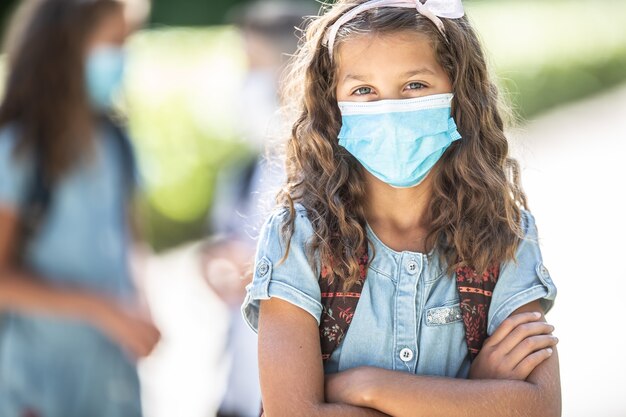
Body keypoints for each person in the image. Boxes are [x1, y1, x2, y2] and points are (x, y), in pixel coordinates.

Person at [241, 1, 561, 416]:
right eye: (363, 90)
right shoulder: (299, 237)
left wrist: (364, 386)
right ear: (333, 107)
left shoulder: (503, 232)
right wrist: (473, 393)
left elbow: (539, 408)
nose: (388, 108)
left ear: (458, 92)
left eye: (414, 85)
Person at [0, 0, 159, 416]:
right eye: (113, 44)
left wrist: (141, 305)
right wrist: (99, 306)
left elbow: (130, 241)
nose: (122, 58)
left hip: (113, 385)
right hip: (36, 390)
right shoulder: (16, 151)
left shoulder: (117, 142)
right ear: (63, 49)